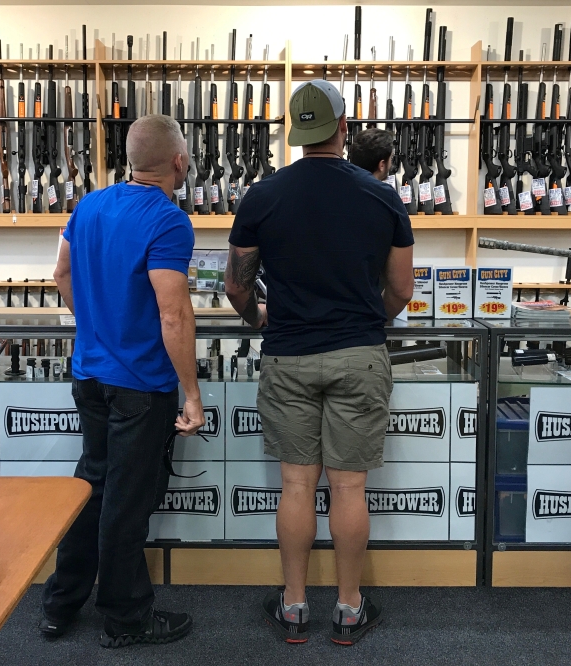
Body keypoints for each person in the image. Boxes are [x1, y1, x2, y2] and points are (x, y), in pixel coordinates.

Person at [225, 80, 414, 646]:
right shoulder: (382, 196)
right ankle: (350, 610)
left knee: (296, 486)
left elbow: (236, 287)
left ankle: (294, 606)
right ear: (343, 129)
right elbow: (401, 290)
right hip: (359, 354)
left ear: (295, 133)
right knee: (349, 487)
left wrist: (263, 319)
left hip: (288, 355)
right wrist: (362, 321)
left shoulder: (262, 196)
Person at [43, 114, 205, 648]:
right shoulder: (168, 220)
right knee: (126, 504)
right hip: (140, 386)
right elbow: (175, 315)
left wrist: (94, 321)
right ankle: (126, 618)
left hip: (88, 374)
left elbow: (61, 275)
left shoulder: (89, 204)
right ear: (178, 162)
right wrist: (192, 394)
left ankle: (60, 604)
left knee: (91, 490)